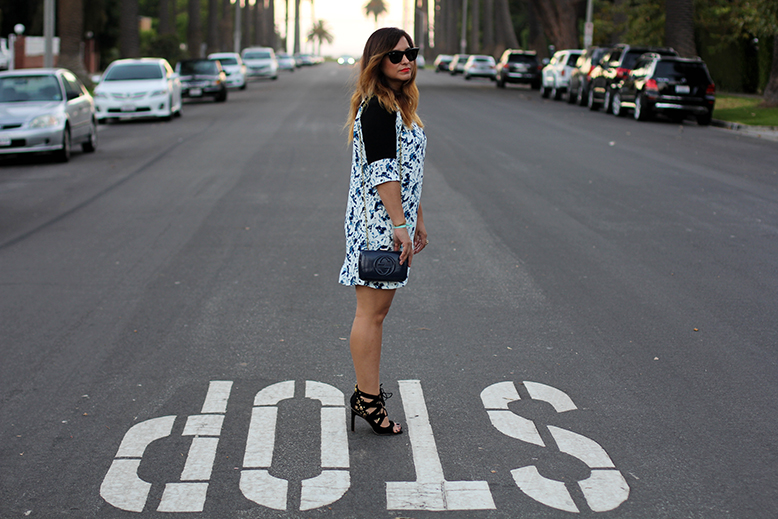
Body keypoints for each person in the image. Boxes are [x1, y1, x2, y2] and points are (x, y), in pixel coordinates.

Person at [338, 27, 428, 435]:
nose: (406, 59)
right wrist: (400, 225)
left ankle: (366, 395)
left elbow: (409, 173)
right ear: (377, 62)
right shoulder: (377, 108)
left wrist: (417, 218)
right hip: (377, 226)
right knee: (370, 313)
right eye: (396, 55)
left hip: (391, 223)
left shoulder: (399, 107)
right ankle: (367, 399)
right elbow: (383, 172)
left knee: (378, 312)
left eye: (411, 52)